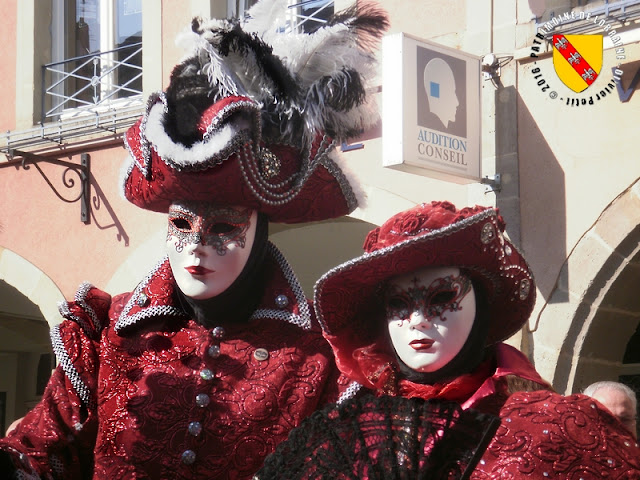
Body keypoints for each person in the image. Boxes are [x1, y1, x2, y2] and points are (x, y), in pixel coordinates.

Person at [0, 1, 388, 478]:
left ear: (258, 234)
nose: (197, 246)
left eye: (224, 227)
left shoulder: (316, 361)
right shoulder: (108, 334)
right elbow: (43, 452)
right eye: (181, 225)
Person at [256, 201, 640, 479]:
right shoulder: (345, 429)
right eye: (398, 304)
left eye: (442, 298)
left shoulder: (557, 427)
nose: (418, 320)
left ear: (482, 304)